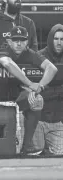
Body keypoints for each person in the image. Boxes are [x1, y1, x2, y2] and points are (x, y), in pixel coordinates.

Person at [0, 25, 57, 155]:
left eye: (22, 40)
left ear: (27, 42)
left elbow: (52, 68)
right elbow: (8, 64)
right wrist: (29, 83)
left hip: (17, 99)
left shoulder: (29, 53)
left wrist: (39, 87)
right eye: (15, 40)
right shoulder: (2, 50)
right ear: (9, 41)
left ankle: (25, 149)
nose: (18, 43)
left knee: (37, 100)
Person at [27, 24, 63, 155]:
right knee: (35, 153)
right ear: (50, 39)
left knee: (60, 156)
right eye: (56, 39)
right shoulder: (40, 57)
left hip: (58, 121)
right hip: (39, 120)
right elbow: (31, 88)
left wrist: (48, 90)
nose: (59, 42)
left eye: (62, 39)